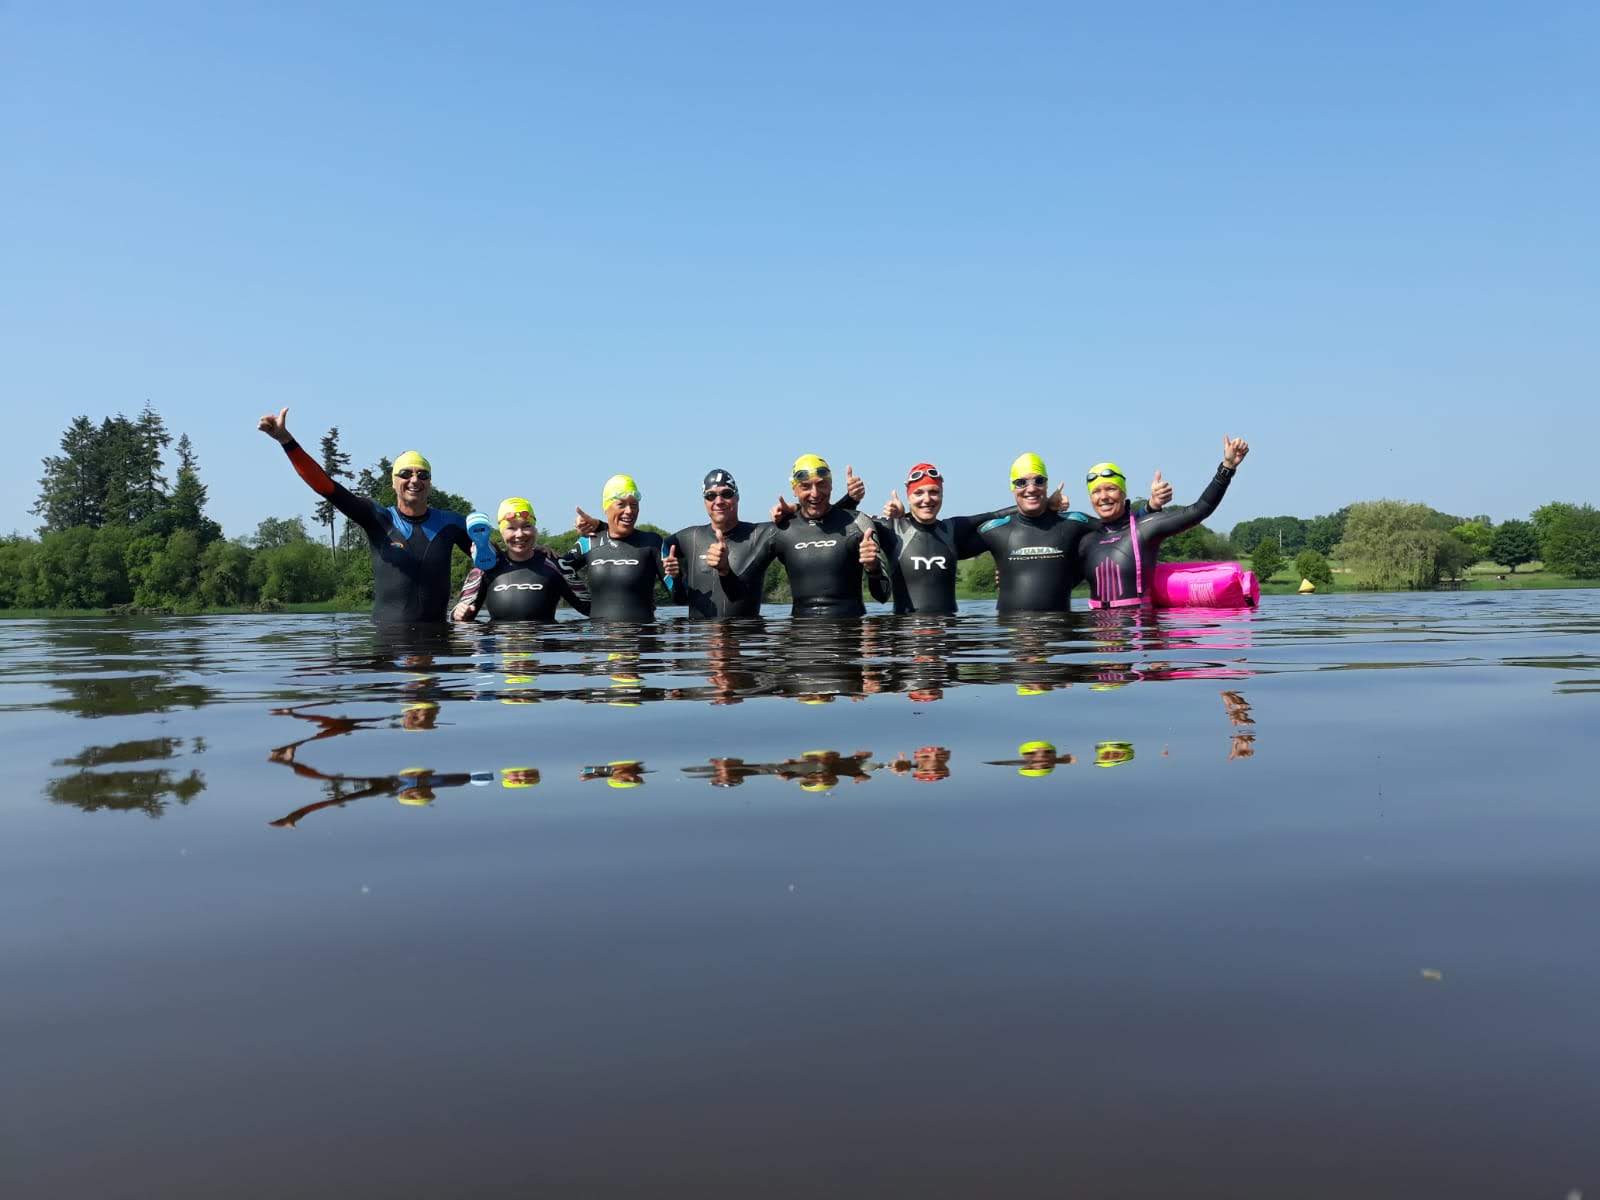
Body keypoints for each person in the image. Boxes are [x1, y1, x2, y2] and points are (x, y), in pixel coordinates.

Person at [257, 407, 471, 622]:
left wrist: (467, 601)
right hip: (386, 649)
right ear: (394, 483)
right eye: (405, 474)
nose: (415, 480)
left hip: (437, 643)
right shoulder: (378, 518)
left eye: (422, 475)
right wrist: (286, 440)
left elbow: (494, 563)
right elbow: (326, 487)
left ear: (430, 483)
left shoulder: (451, 524)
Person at [878, 462, 1173, 614]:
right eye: (919, 493)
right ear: (908, 495)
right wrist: (900, 519)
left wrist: (1148, 509)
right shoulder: (898, 530)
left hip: (956, 635)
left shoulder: (952, 530)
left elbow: (1115, 528)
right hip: (909, 639)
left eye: (933, 492)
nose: (927, 498)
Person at [1078, 436, 1250, 608]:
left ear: (1123, 493)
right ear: (1090, 498)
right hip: (1097, 631)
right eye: (1096, 492)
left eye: (1111, 488)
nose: (1103, 497)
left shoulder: (1145, 528)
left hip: (1139, 631)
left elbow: (1200, 509)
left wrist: (1227, 468)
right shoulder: (1086, 540)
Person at [973, 453, 1101, 614]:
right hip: (1011, 635)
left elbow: (1121, 530)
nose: (1031, 488)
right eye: (1021, 482)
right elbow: (947, 541)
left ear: (1047, 485)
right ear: (1012, 487)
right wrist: (1046, 503)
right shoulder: (994, 530)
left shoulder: (1073, 523)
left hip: (1060, 635)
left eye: (1039, 481)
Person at [765, 455, 891, 616]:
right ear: (794, 490)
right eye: (805, 486)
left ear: (831, 485)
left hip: (850, 635)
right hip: (800, 638)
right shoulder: (782, 529)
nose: (815, 493)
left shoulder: (859, 522)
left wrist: (873, 568)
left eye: (821, 484)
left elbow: (883, 597)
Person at [452, 498, 589, 623]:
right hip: (501, 648)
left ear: (535, 529)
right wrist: (459, 614)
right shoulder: (485, 567)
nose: (519, 534)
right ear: (501, 532)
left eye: (526, 526)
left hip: (544, 648)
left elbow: (591, 609)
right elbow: (458, 615)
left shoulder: (556, 564)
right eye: (511, 528)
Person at [559, 475, 675, 622]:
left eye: (634, 505)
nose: (629, 511)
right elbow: (558, 569)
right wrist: (586, 606)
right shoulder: (589, 542)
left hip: (643, 640)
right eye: (621, 504)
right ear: (606, 508)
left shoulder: (652, 542)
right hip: (599, 640)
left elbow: (681, 597)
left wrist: (676, 577)